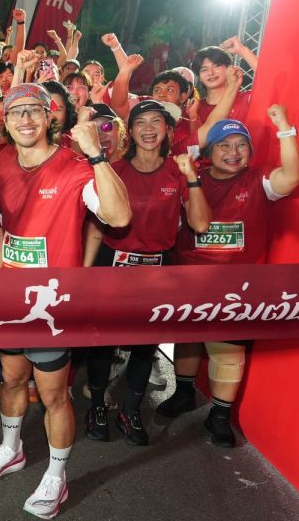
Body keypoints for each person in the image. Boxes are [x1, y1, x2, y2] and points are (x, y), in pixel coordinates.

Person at [0, 83, 131, 519]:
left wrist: (97, 155)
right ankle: (11, 449)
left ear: (50, 118)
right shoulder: (2, 161)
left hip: (51, 305)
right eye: (16, 112)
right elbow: (2, 225)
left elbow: (119, 216)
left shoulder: (76, 167)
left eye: (34, 110)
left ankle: (57, 476)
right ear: (5, 121)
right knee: (11, 380)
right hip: (11, 298)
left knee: (52, 394)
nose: (25, 119)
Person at [160, 107, 299, 446]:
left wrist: (285, 129)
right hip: (191, 278)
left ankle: (220, 416)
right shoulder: (191, 178)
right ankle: (183, 393)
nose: (233, 152)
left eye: (241, 145)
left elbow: (292, 176)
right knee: (188, 338)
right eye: (224, 145)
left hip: (238, 286)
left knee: (228, 351)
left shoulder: (258, 180)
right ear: (210, 152)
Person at [81, 100, 211, 445]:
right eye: (141, 122)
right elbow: (96, 227)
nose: (149, 129)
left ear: (168, 130)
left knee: (144, 344)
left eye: (157, 122)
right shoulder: (114, 169)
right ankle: (97, 407)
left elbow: (200, 224)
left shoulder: (177, 171)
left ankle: (131, 410)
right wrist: (86, 272)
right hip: (113, 263)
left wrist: (192, 178)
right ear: (131, 130)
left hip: (157, 268)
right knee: (102, 341)